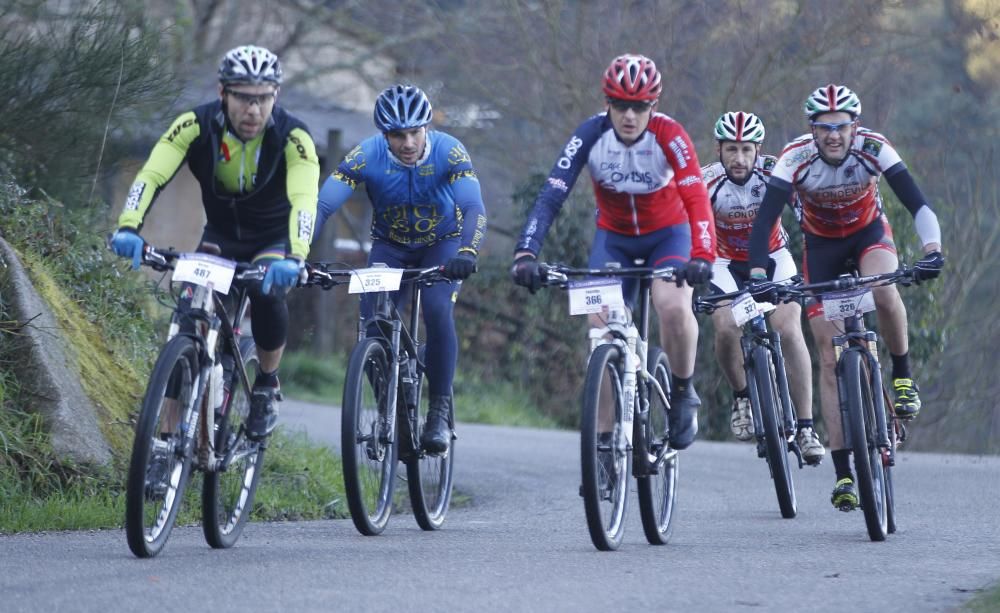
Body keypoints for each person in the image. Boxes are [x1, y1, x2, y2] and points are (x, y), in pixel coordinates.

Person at [747, 84, 944, 510]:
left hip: (869, 235)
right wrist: (760, 272)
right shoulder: (794, 158)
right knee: (829, 355)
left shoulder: (874, 148)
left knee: (883, 287)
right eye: (824, 128)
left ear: (855, 127)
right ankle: (843, 474)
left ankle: (903, 376)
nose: (833, 135)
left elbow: (917, 203)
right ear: (812, 130)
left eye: (841, 127)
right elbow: (764, 222)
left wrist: (932, 250)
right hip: (821, 248)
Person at [111, 45, 320, 441]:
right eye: (243, 97)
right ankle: (166, 439)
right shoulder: (195, 123)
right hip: (220, 237)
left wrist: (296, 255)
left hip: (273, 240)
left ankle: (266, 386)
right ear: (223, 92)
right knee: (190, 314)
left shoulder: (294, 137)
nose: (253, 110)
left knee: (265, 290)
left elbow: (304, 199)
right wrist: (128, 227)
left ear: (275, 96)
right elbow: (151, 174)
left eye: (263, 99)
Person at [511, 54, 715, 450]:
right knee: (600, 329)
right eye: (620, 105)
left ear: (652, 107)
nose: (629, 115)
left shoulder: (670, 134)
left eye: (639, 107)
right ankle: (604, 440)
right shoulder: (589, 134)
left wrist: (703, 254)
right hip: (615, 240)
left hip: (668, 236)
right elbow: (552, 194)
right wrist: (525, 253)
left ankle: (683, 390)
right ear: (607, 103)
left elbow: (695, 196)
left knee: (672, 305)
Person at [316, 84, 487, 453]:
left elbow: (473, 208)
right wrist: (295, 254)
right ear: (384, 135)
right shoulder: (367, 155)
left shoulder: (449, 151)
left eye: (414, 132)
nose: (408, 142)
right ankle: (388, 409)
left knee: (439, 310)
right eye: (397, 135)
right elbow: (323, 206)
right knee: (373, 324)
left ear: (427, 127)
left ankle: (438, 411)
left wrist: (468, 251)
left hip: (442, 245)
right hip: (390, 247)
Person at [702, 111, 825, 464]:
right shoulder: (707, 181)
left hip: (773, 257)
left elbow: (806, 211)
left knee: (788, 328)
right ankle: (742, 397)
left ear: (758, 149)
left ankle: (804, 427)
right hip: (725, 264)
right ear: (719, 150)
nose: (739, 159)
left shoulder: (774, 173)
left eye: (746, 149)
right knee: (725, 327)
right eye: (731, 150)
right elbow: (689, 226)